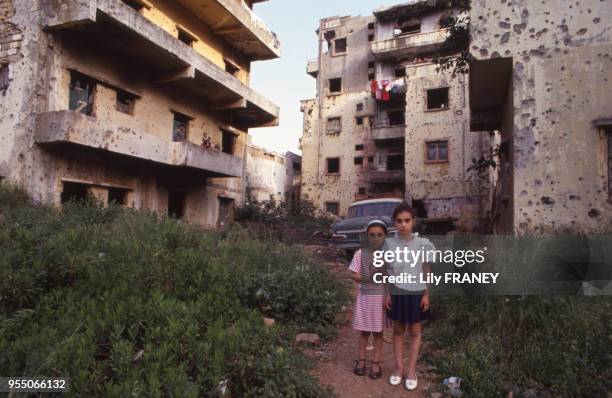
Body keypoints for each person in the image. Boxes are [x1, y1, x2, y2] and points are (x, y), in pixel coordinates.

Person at [384, 202, 434, 391]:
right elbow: (386, 270)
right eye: (399, 221)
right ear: (394, 222)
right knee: (398, 331)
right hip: (396, 292)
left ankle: (411, 370)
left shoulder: (423, 244)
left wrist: (426, 294)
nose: (403, 224)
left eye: (407, 220)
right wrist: (387, 293)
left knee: (414, 331)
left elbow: (427, 269)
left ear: (414, 222)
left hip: (416, 293)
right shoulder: (388, 244)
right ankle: (398, 368)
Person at [348, 219, 391, 379]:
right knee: (364, 332)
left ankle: (376, 362)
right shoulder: (360, 254)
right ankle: (361, 360)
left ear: (385, 236)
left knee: (378, 333)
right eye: (372, 235)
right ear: (367, 236)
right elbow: (353, 273)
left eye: (379, 235)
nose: (375, 238)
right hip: (365, 300)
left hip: (381, 301)